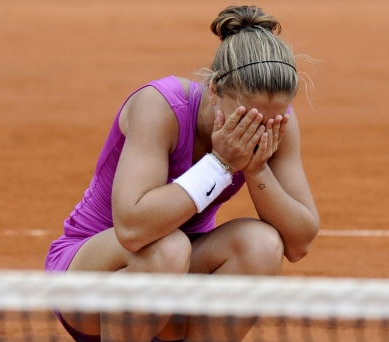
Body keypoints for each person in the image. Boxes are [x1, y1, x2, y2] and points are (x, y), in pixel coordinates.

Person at [45, 5, 319, 342]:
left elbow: (299, 242)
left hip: (175, 283)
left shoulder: (278, 124)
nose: (258, 129)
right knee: (167, 248)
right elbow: (132, 229)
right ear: (215, 88)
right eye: (247, 117)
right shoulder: (158, 107)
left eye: (272, 119)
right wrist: (220, 164)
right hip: (91, 283)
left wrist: (257, 167)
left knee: (261, 244)